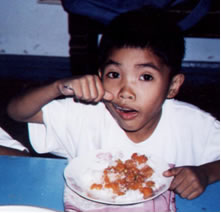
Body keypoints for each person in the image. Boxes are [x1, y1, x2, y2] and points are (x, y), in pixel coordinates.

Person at [7, 7, 219, 212]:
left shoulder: (192, 124)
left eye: (146, 77)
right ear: (100, 75)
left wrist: (206, 173)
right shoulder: (84, 114)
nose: (125, 92)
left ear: (173, 86)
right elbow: (17, 112)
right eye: (114, 74)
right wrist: (57, 87)